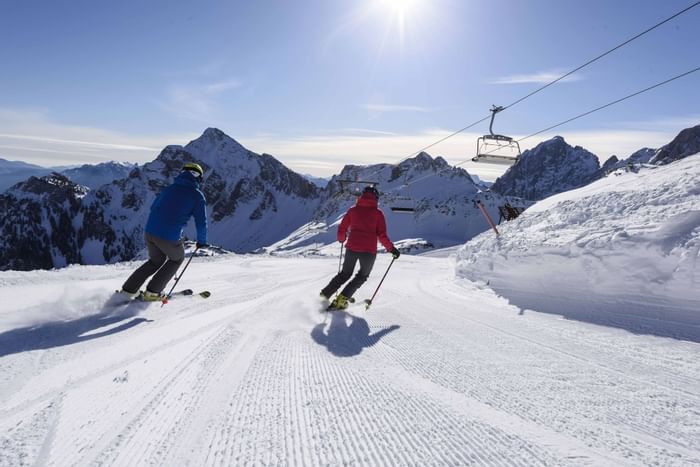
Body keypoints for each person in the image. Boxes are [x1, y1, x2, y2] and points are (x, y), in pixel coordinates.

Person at [120, 162, 208, 301]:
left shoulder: (169, 188)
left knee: (155, 261)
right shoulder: (197, 195)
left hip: (150, 231)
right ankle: (153, 292)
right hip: (169, 236)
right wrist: (202, 241)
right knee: (176, 259)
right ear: (198, 178)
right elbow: (201, 222)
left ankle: (127, 291)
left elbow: (154, 207)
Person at [321, 185, 400, 309]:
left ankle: (324, 295)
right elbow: (382, 235)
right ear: (376, 198)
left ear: (362, 196)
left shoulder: (353, 210)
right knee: (362, 276)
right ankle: (341, 300)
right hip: (369, 252)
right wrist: (392, 249)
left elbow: (342, 228)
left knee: (344, 274)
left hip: (352, 248)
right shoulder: (378, 214)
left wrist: (342, 238)